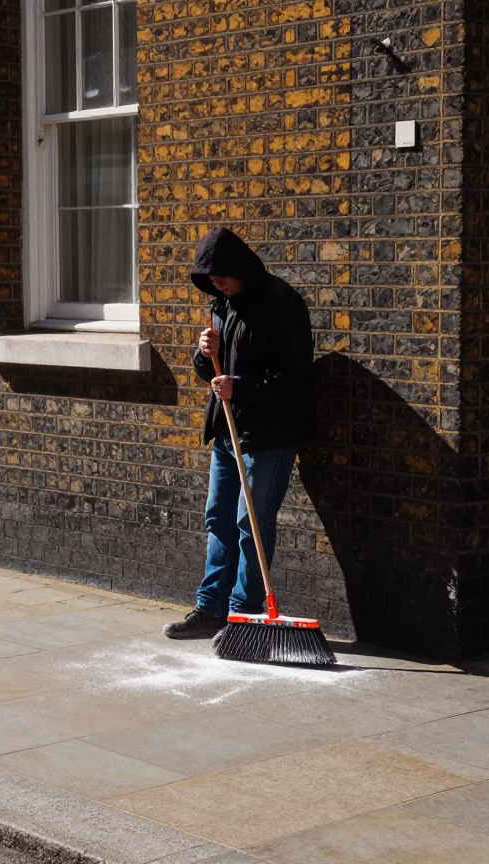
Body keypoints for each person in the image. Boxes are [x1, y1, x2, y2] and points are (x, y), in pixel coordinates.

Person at [163, 228, 316, 639]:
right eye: (209, 278)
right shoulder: (222, 305)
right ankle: (211, 608)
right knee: (219, 518)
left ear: (239, 266)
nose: (216, 283)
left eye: (221, 274)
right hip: (227, 431)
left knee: (252, 523)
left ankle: (243, 614)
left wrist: (242, 387)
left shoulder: (281, 303)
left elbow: (296, 375)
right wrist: (203, 354)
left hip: (268, 435)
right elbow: (212, 374)